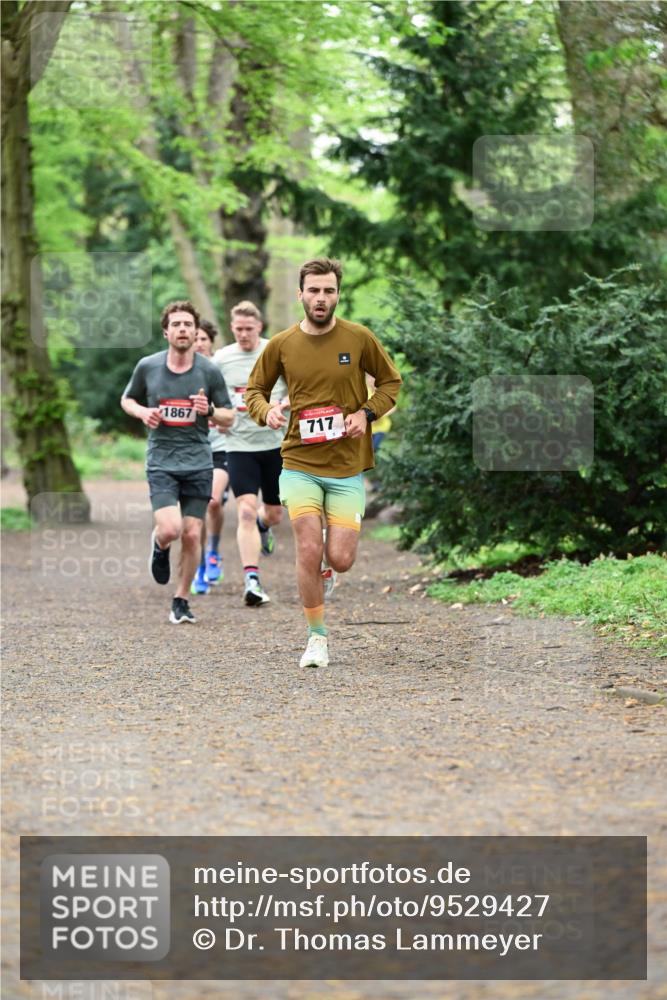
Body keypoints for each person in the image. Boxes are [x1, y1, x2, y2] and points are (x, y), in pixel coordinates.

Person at [245, 258, 402, 667]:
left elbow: (391, 383)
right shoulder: (281, 344)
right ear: (300, 294)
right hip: (298, 461)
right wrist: (268, 413)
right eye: (313, 290)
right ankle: (317, 637)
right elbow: (254, 391)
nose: (320, 298)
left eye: (328, 290)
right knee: (308, 547)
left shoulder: (359, 338)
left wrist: (364, 415)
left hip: (347, 466)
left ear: (337, 294)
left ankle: (329, 572)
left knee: (341, 558)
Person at [121, 300, 234, 623]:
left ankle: (181, 599)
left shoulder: (208, 370)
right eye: (177, 324)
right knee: (171, 528)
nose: (183, 329)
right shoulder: (148, 366)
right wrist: (143, 411)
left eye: (188, 324)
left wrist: (209, 410)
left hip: (199, 461)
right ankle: (159, 545)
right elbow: (127, 399)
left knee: (193, 533)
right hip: (162, 461)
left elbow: (230, 417)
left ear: (196, 331)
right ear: (166, 331)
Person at [213, 301, 289, 607]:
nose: (244, 335)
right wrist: (216, 416)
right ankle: (252, 579)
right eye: (238, 329)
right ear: (232, 328)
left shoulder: (277, 352)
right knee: (244, 509)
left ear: (260, 327)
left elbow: (297, 389)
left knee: (273, 514)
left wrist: (285, 408)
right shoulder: (221, 360)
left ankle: (262, 525)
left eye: (249, 329)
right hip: (239, 445)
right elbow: (214, 398)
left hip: (275, 444)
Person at [191, 319, 230, 595]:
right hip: (192, 450)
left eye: (203, 338)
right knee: (195, 512)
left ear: (211, 342)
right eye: (194, 339)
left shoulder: (221, 370)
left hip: (223, 447)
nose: (199, 343)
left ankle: (213, 550)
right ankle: (201, 563)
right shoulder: (179, 371)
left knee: (213, 502)